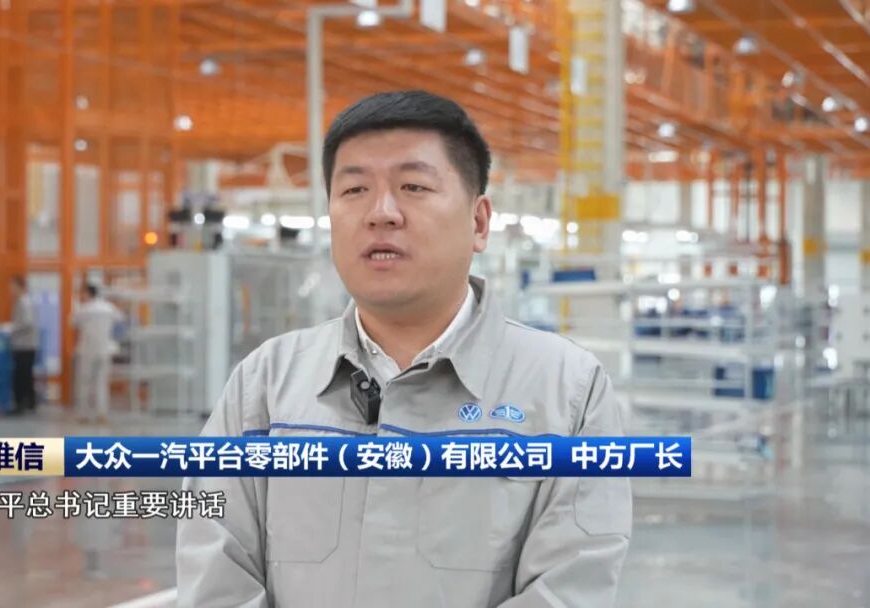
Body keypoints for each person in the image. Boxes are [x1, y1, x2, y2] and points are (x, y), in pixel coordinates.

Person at [176, 91, 632, 607]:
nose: (381, 213)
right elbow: (216, 572)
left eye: (413, 186)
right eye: (354, 189)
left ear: (479, 222)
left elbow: (569, 586)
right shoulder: (264, 385)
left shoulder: (568, 391)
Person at [70, 283, 121, 424]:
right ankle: (101, 414)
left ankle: (83, 414)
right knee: (102, 382)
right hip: (104, 350)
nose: (81, 296)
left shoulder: (83, 309)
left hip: (87, 350)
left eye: (82, 293)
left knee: (85, 382)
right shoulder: (109, 308)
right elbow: (119, 320)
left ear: (88, 293)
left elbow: (73, 323)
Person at [9, 275, 38, 414]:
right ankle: (30, 402)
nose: (11, 289)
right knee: (26, 375)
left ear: (20, 287)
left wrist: (11, 328)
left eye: (13, 286)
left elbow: (27, 323)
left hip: (25, 345)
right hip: (23, 344)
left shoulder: (24, 302)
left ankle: (21, 404)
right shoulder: (20, 301)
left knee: (22, 376)